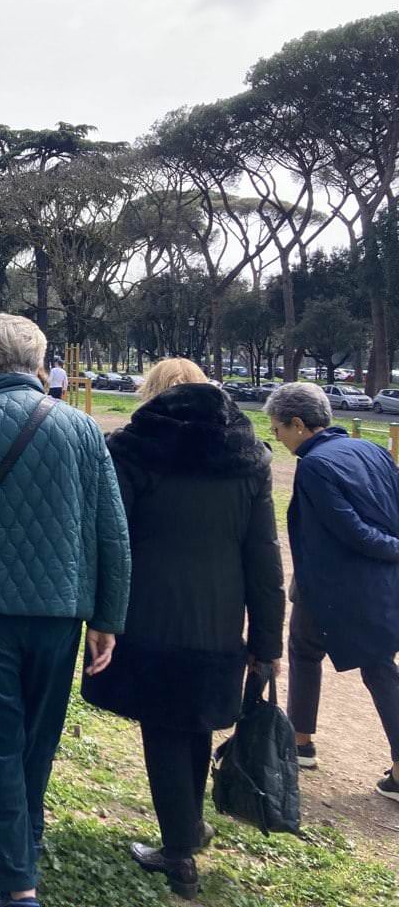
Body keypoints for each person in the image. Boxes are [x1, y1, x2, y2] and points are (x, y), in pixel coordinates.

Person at [0, 313, 130, 907]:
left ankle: (15, 880)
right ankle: (21, 853)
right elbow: (112, 532)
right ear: (39, 366)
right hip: (61, 612)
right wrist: (108, 618)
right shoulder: (82, 428)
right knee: (38, 740)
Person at [82, 359, 284, 899]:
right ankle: (188, 828)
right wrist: (267, 640)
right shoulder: (249, 456)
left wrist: (100, 613)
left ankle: (179, 854)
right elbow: (263, 555)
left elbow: (111, 538)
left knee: (163, 729)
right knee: (194, 723)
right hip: (220, 617)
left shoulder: (132, 449)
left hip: (148, 612)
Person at [264, 382, 399, 801]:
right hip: (368, 583)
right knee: (308, 648)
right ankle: (299, 741)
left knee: (375, 667)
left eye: (277, 429)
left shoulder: (315, 466)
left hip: (341, 586)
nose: (277, 437)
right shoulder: (371, 450)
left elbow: (351, 530)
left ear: (298, 424)